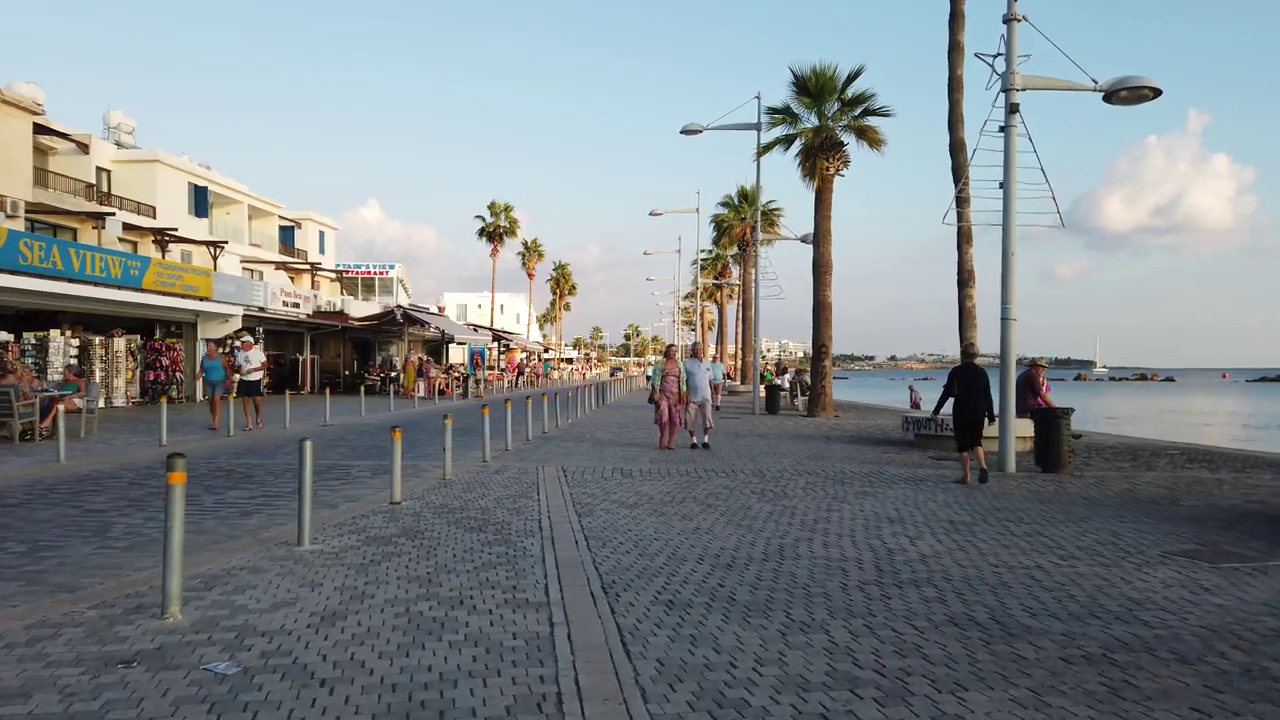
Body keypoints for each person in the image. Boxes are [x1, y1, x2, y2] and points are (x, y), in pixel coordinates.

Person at [932, 342, 996, 485]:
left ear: (962, 354)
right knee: (976, 441)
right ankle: (983, 466)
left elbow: (946, 393)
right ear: (976, 356)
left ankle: (966, 477)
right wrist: (991, 416)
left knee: (963, 445)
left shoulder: (956, 372)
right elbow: (988, 396)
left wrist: (936, 411)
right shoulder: (982, 372)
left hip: (961, 410)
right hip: (979, 410)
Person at [648, 343, 686, 450]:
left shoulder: (680, 364)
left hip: (675, 396)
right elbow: (655, 378)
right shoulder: (660, 364)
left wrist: (683, 394)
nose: (673, 353)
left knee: (674, 419)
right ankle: (663, 437)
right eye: (671, 351)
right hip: (662, 394)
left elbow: (683, 380)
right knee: (663, 418)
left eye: (675, 351)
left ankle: (671, 442)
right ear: (667, 352)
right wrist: (655, 392)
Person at [683, 342, 715, 449]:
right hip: (692, 397)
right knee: (690, 419)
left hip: (706, 396)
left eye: (698, 349)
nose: (696, 351)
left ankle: (705, 440)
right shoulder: (687, 364)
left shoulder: (707, 364)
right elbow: (683, 381)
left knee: (707, 418)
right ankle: (693, 441)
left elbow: (710, 379)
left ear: (702, 350)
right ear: (692, 351)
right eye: (694, 349)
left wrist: (713, 392)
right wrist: (685, 393)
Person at [196, 339, 231, 430]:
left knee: (216, 400)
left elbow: (227, 368)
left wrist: (229, 380)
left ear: (215, 348)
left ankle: (216, 422)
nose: (207, 347)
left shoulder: (221, 357)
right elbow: (201, 370)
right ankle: (213, 418)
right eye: (207, 346)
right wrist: (196, 378)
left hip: (219, 381)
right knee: (211, 402)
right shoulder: (204, 358)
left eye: (209, 346)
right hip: (209, 382)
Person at [234, 335, 267, 431]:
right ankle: (249, 423)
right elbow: (237, 365)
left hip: (255, 379)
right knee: (245, 401)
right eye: (242, 343)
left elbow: (265, 365)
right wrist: (238, 369)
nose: (242, 344)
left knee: (257, 401)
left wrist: (253, 370)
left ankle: (259, 416)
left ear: (250, 343)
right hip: (244, 379)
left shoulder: (258, 353)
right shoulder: (240, 354)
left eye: (243, 342)